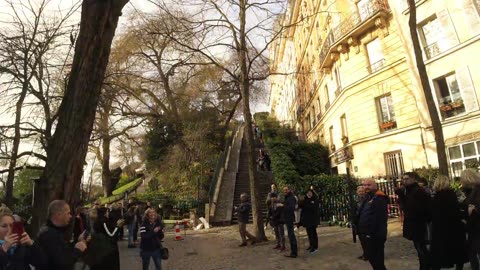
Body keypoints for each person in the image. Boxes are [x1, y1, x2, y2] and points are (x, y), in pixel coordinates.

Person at [36, 200, 88, 270]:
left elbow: (63, 251)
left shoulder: (54, 231)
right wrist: (78, 250)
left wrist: (78, 242)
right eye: (68, 213)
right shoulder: (49, 235)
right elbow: (63, 263)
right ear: (59, 215)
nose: (70, 216)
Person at [430, 175, 466, 270]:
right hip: (454, 227)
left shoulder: (435, 197)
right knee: (457, 252)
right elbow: (455, 211)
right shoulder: (450, 195)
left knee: (439, 252)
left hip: (440, 228)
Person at [401, 172, 432, 270]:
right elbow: (406, 208)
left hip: (419, 225)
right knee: (419, 249)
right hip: (412, 225)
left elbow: (425, 209)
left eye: (407, 179)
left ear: (413, 179)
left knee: (422, 249)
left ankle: (426, 267)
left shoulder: (419, 191)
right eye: (403, 179)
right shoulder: (408, 191)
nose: (404, 181)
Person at [357, 179, 388, 270]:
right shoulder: (368, 197)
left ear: (375, 185)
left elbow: (379, 219)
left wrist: (370, 234)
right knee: (372, 259)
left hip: (375, 235)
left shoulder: (379, 198)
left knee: (377, 261)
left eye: (369, 185)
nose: (366, 187)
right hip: (366, 233)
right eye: (364, 185)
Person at [460, 169, 480, 270]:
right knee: (472, 251)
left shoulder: (477, 190)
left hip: (476, 225)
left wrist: (473, 209)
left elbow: (475, 205)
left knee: (473, 251)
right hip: (473, 225)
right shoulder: (470, 190)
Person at [300, 189, 319, 253]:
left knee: (313, 233)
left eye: (310, 193)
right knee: (309, 233)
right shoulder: (305, 200)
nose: (309, 194)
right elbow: (301, 206)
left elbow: (313, 208)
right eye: (308, 193)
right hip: (307, 220)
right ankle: (311, 245)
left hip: (313, 220)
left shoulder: (314, 200)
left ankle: (315, 246)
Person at [280, 186, 297, 258]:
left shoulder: (291, 198)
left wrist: (282, 206)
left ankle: (294, 252)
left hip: (289, 218)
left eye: (286, 190)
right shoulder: (287, 197)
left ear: (289, 190)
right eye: (284, 190)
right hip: (287, 218)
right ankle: (293, 251)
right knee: (290, 235)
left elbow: (291, 208)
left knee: (291, 235)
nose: (285, 191)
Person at [354, 185, 368, 261]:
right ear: (357, 192)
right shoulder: (355, 201)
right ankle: (365, 254)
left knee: (367, 240)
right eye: (359, 191)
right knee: (362, 240)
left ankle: (368, 254)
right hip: (359, 223)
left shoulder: (367, 199)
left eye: (362, 191)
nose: (361, 193)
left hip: (366, 223)